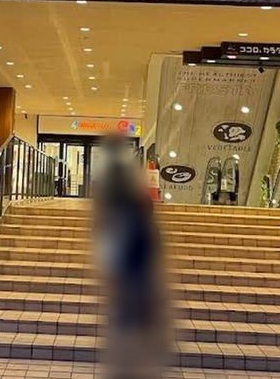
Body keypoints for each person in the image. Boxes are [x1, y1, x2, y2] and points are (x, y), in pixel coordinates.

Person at [92, 133, 170, 378]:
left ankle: (128, 351)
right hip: (139, 278)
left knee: (126, 315)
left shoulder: (124, 222)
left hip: (129, 276)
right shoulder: (148, 227)